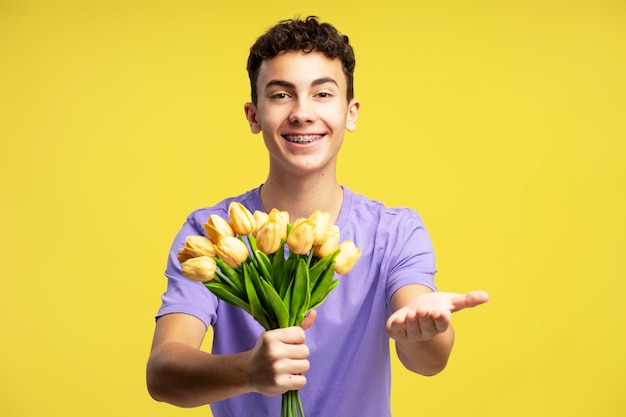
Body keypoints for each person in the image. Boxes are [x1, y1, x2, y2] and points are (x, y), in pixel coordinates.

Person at [146, 16, 489, 417]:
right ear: (254, 116)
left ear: (351, 112)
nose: (302, 113)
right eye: (281, 95)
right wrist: (248, 371)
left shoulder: (394, 232)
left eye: (323, 94)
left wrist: (426, 327)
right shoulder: (214, 233)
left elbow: (427, 361)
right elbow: (163, 373)